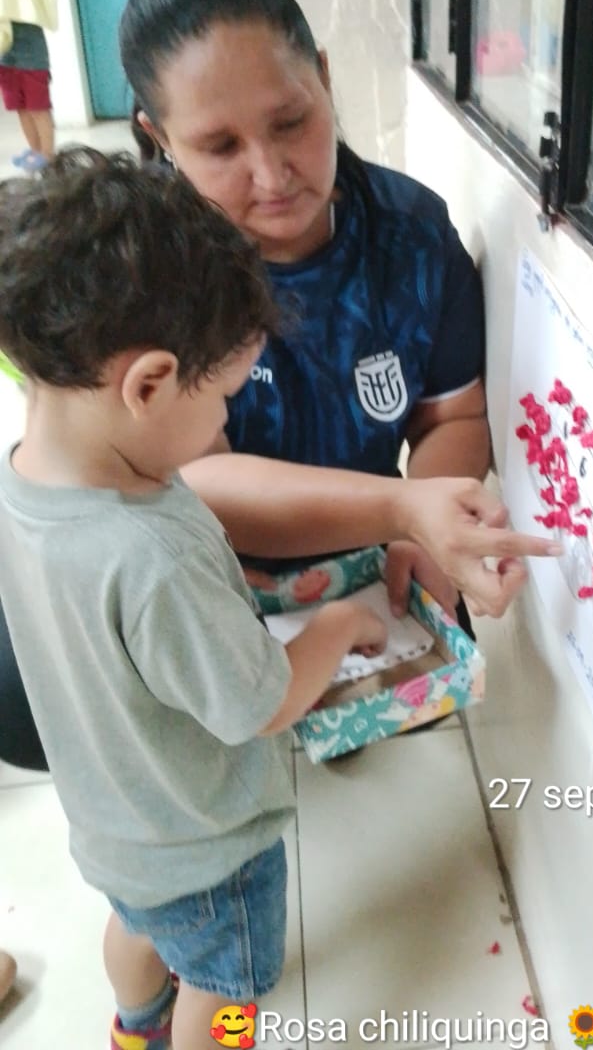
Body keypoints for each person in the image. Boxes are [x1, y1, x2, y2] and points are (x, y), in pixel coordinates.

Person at [0, 0, 561, 770]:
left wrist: (423, 526)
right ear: (158, 137)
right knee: (37, 704)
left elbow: (455, 414)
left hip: (360, 551)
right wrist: (403, 510)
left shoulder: (411, 239)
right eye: (219, 145)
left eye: (291, 121)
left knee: (417, 665)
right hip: (188, 568)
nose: (271, 174)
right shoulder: (139, 280)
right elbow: (197, 483)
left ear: (324, 79)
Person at [0, 148, 392, 1048]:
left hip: (111, 825)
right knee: (224, 983)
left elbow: (109, 633)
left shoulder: (23, 479)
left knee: (137, 930)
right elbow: (262, 704)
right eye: (221, 398)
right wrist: (339, 623)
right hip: (208, 850)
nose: (224, 423)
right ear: (147, 384)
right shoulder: (156, 555)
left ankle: (134, 1028)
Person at [0, 0, 70, 171]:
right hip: (3, 45)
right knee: (19, 105)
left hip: (28, 42)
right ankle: (34, 153)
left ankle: (48, 157)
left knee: (37, 104)